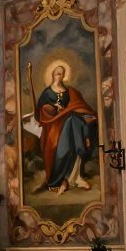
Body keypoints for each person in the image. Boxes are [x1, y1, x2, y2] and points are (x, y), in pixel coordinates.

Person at [28, 62, 98, 194]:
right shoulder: (47, 93)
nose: (60, 76)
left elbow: (77, 106)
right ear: (53, 75)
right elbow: (41, 112)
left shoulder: (70, 92)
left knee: (74, 119)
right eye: (58, 73)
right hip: (54, 125)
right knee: (62, 147)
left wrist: (66, 111)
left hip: (69, 123)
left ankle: (75, 177)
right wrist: (54, 110)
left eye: (62, 74)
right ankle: (60, 179)